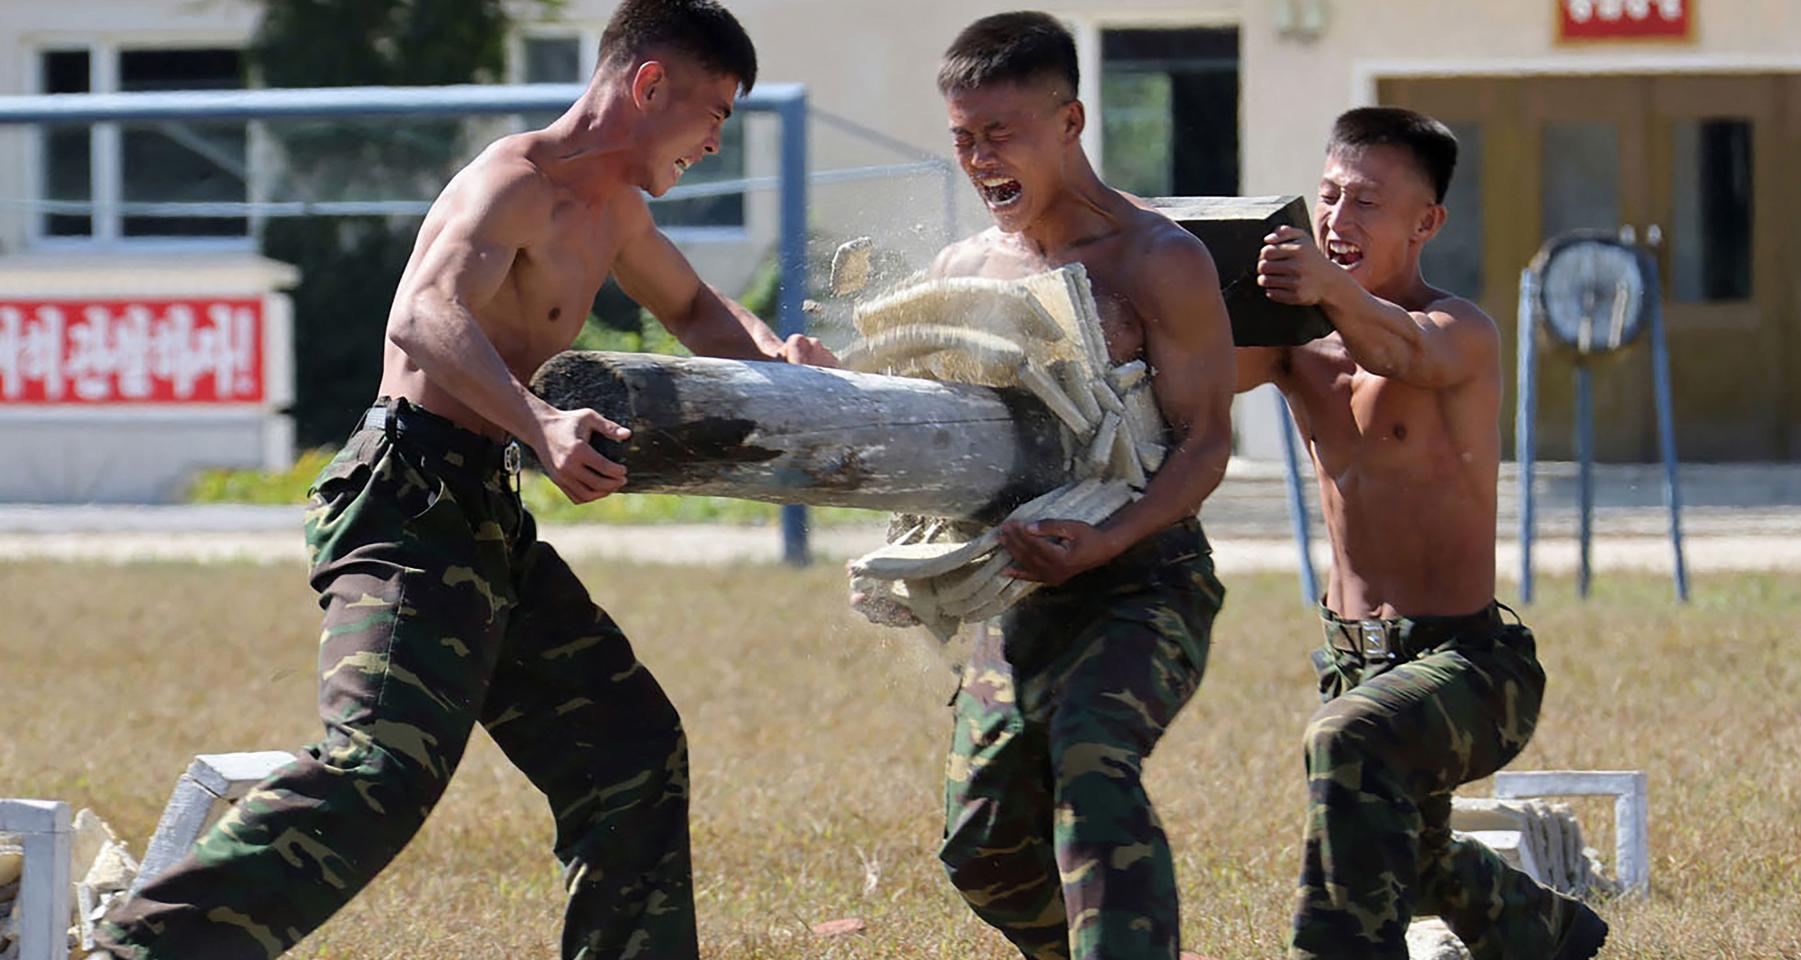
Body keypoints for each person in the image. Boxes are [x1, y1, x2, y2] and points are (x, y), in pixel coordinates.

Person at [96, 2, 831, 957]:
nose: (714, 141)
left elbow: (693, 307)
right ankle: (136, 949)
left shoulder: (616, 210)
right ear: (649, 85)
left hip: (483, 508)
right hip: (404, 497)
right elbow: (423, 314)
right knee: (380, 768)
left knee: (631, 752)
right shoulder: (515, 182)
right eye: (714, 113)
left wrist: (779, 355)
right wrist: (543, 425)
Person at [1238, 106, 1608, 960]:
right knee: (1404, 845)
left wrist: (1330, 291)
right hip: (1352, 657)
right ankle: (1548, 933)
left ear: (1426, 222)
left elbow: (1403, 351)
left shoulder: (1460, 331)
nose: (1336, 221)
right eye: (1327, 196)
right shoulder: (1296, 341)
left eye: (1366, 203)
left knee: (1347, 744)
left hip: (1471, 668)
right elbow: (1201, 375)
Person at [922, 12, 1235, 959]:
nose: (980, 161)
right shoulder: (963, 271)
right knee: (980, 846)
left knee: (1093, 772)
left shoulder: (1158, 259)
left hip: (1145, 582)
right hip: (1014, 589)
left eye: (1001, 134)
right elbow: (933, 435)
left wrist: (1110, 536)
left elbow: (1208, 442)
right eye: (963, 139)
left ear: (1071, 122)